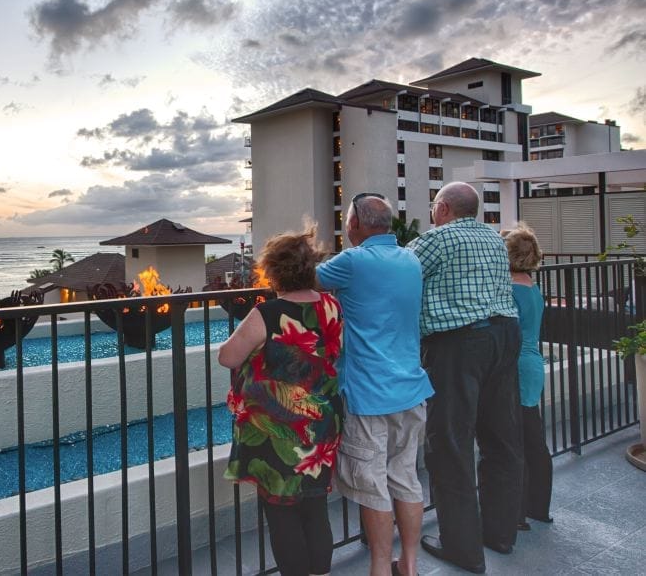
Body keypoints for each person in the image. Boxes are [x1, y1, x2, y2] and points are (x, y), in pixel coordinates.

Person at [407, 181, 523, 575]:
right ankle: (501, 533)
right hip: (504, 336)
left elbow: (397, 273)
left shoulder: (437, 239)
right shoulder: (493, 238)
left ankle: (462, 548)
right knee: (501, 437)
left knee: (451, 443)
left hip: (459, 343)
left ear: (442, 208)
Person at [316, 193, 433, 576]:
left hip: (369, 395)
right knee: (406, 478)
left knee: (372, 486)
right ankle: (410, 566)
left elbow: (303, 277)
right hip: (411, 389)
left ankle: (381, 568)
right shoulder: (410, 259)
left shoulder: (353, 261)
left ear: (354, 225)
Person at [219, 226, 342, 576]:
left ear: (272, 271)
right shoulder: (331, 306)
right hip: (321, 421)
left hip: (279, 429)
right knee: (315, 506)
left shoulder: (269, 313)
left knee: (282, 511)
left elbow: (228, 357)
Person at [503, 224, 553, 529]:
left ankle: (517, 511)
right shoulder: (532, 287)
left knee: (514, 442)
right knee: (534, 438)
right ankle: (538, 505)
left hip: (516, 367)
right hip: (533, 364)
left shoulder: (508, 289)